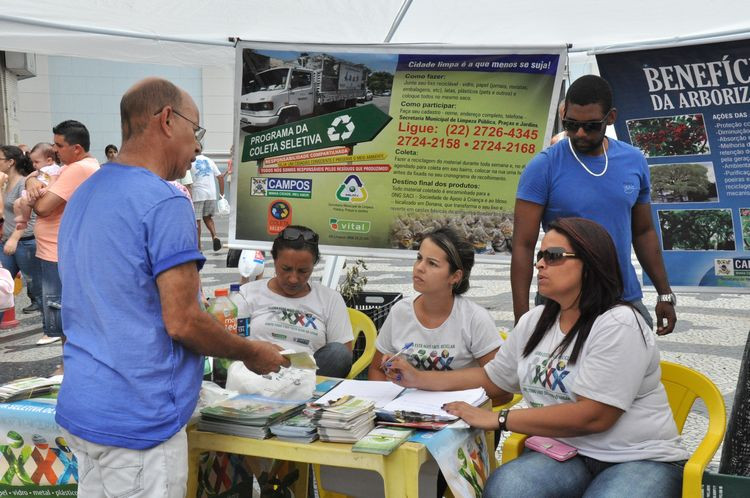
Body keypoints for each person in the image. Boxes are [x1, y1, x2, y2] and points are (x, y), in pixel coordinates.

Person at [55, 77, 288, 498]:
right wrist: (252, 351)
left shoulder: (86, 192)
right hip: (140, 418)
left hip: (85, 404)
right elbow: (182, 322)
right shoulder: (165, 200)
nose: (198, 147)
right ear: (166, 120)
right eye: (195, 131)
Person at [385, 217, 689, 497]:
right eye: (540, 257)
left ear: (591, 264)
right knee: (507, 488)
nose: (541, 265)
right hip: (567, 452)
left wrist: (499, 419)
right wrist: (420, 378)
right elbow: (492, 378)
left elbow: (594, 415)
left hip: (638, 458)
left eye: (553, 256)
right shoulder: (536, 320)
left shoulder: (619, 323)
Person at [511, 75, 677, 335]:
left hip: (622, 298)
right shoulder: (543, 166)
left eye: (590, 126)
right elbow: (522, 245)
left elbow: (643, 232)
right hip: (562, 303)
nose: (579, 133)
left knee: (632, 373)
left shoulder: (633, 161)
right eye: (571, 124)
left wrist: (664, 293)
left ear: (610, 118)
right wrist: (522, 321)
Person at [368, 227, 501, 381]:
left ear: (455, 276)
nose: (419, 267)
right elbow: (376, 370)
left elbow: (499, 387)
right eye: (419, 258)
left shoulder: (474, 319)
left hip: (456, 404)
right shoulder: (400, 311)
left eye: (432, 263)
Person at [233, 225, 353, 378]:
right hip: (257, 374)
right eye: (286, 268)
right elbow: (231, 341)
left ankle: (296, 389)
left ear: (314, 265)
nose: (293, 279)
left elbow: (342, 355)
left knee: (339, 353)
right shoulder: (248, 293)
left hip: (307, 380)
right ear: (274, 259)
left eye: (303, 271)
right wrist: (256, 351)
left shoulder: (330, 299)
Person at [25, 120, 100, 347]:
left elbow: (43, 208)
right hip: (60, 249)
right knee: (68, 311)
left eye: (59, 145)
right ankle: (70, 364)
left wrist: (34, 194)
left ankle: (68, 365)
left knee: (63, 311)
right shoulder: (78, 166)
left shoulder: (78, 169)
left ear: (76, 148)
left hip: (58, 251)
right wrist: (31, 182)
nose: (54, 150)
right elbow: (40, 177)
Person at [0, 145, 42, 314]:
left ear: (11, 162)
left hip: (25, 242)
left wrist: (14, 238)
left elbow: (29, 216)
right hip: (7, 241)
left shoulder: (24, 183)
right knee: (3, 282)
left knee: (36, 285)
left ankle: (49, 326)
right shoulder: (5, 182)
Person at [13, 143, 62, 231]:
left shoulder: (53, 169)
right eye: (33, 162)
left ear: (49, 160)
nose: (34, 165)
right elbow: (31, 176)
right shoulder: (40, 169)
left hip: (42, 194)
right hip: (35, 192)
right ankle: (22, 221)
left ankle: (25, 219)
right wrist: (28, 180)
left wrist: (47, 189)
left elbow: (53, 180)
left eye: (36, 162)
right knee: (16, 203)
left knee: (24, 201)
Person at [190, 144, 224, 251]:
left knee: (197, 220)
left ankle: (199, 246)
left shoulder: (190, 161)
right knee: (208, 217)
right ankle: (215, 236)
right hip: (211, 194)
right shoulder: (210, 160)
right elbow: (220, 177)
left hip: (198, 194)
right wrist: (221, 195)